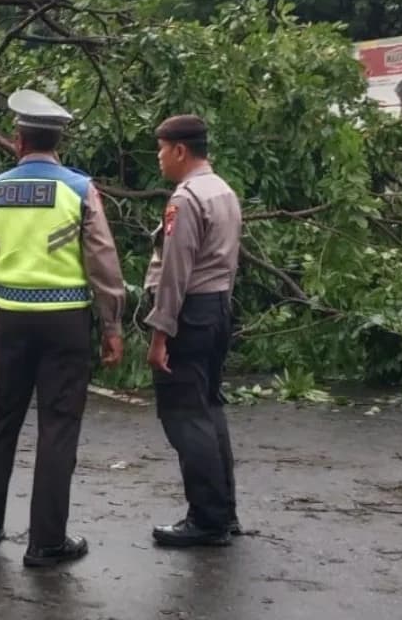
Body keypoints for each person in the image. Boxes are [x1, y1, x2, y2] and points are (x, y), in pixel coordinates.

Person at [0, 89, 126, 567]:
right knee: (58, 426)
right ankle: (46, 542)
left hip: (10, 319)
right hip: (65, 324)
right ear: (60, 142)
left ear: (17, 140)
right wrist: (111, 324)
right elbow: (103, 262)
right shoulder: (78, 190)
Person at [144, 114, 242, 548]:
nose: (159, 158)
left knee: (186, 414)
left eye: (162, 149)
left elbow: (175, 272)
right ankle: (224, 511)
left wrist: (160, 332)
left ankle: (206, 519)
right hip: (218, 306)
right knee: (208, 407)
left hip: (190, 311)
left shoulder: (185, 199)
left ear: (180, 150)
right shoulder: (223, 190)